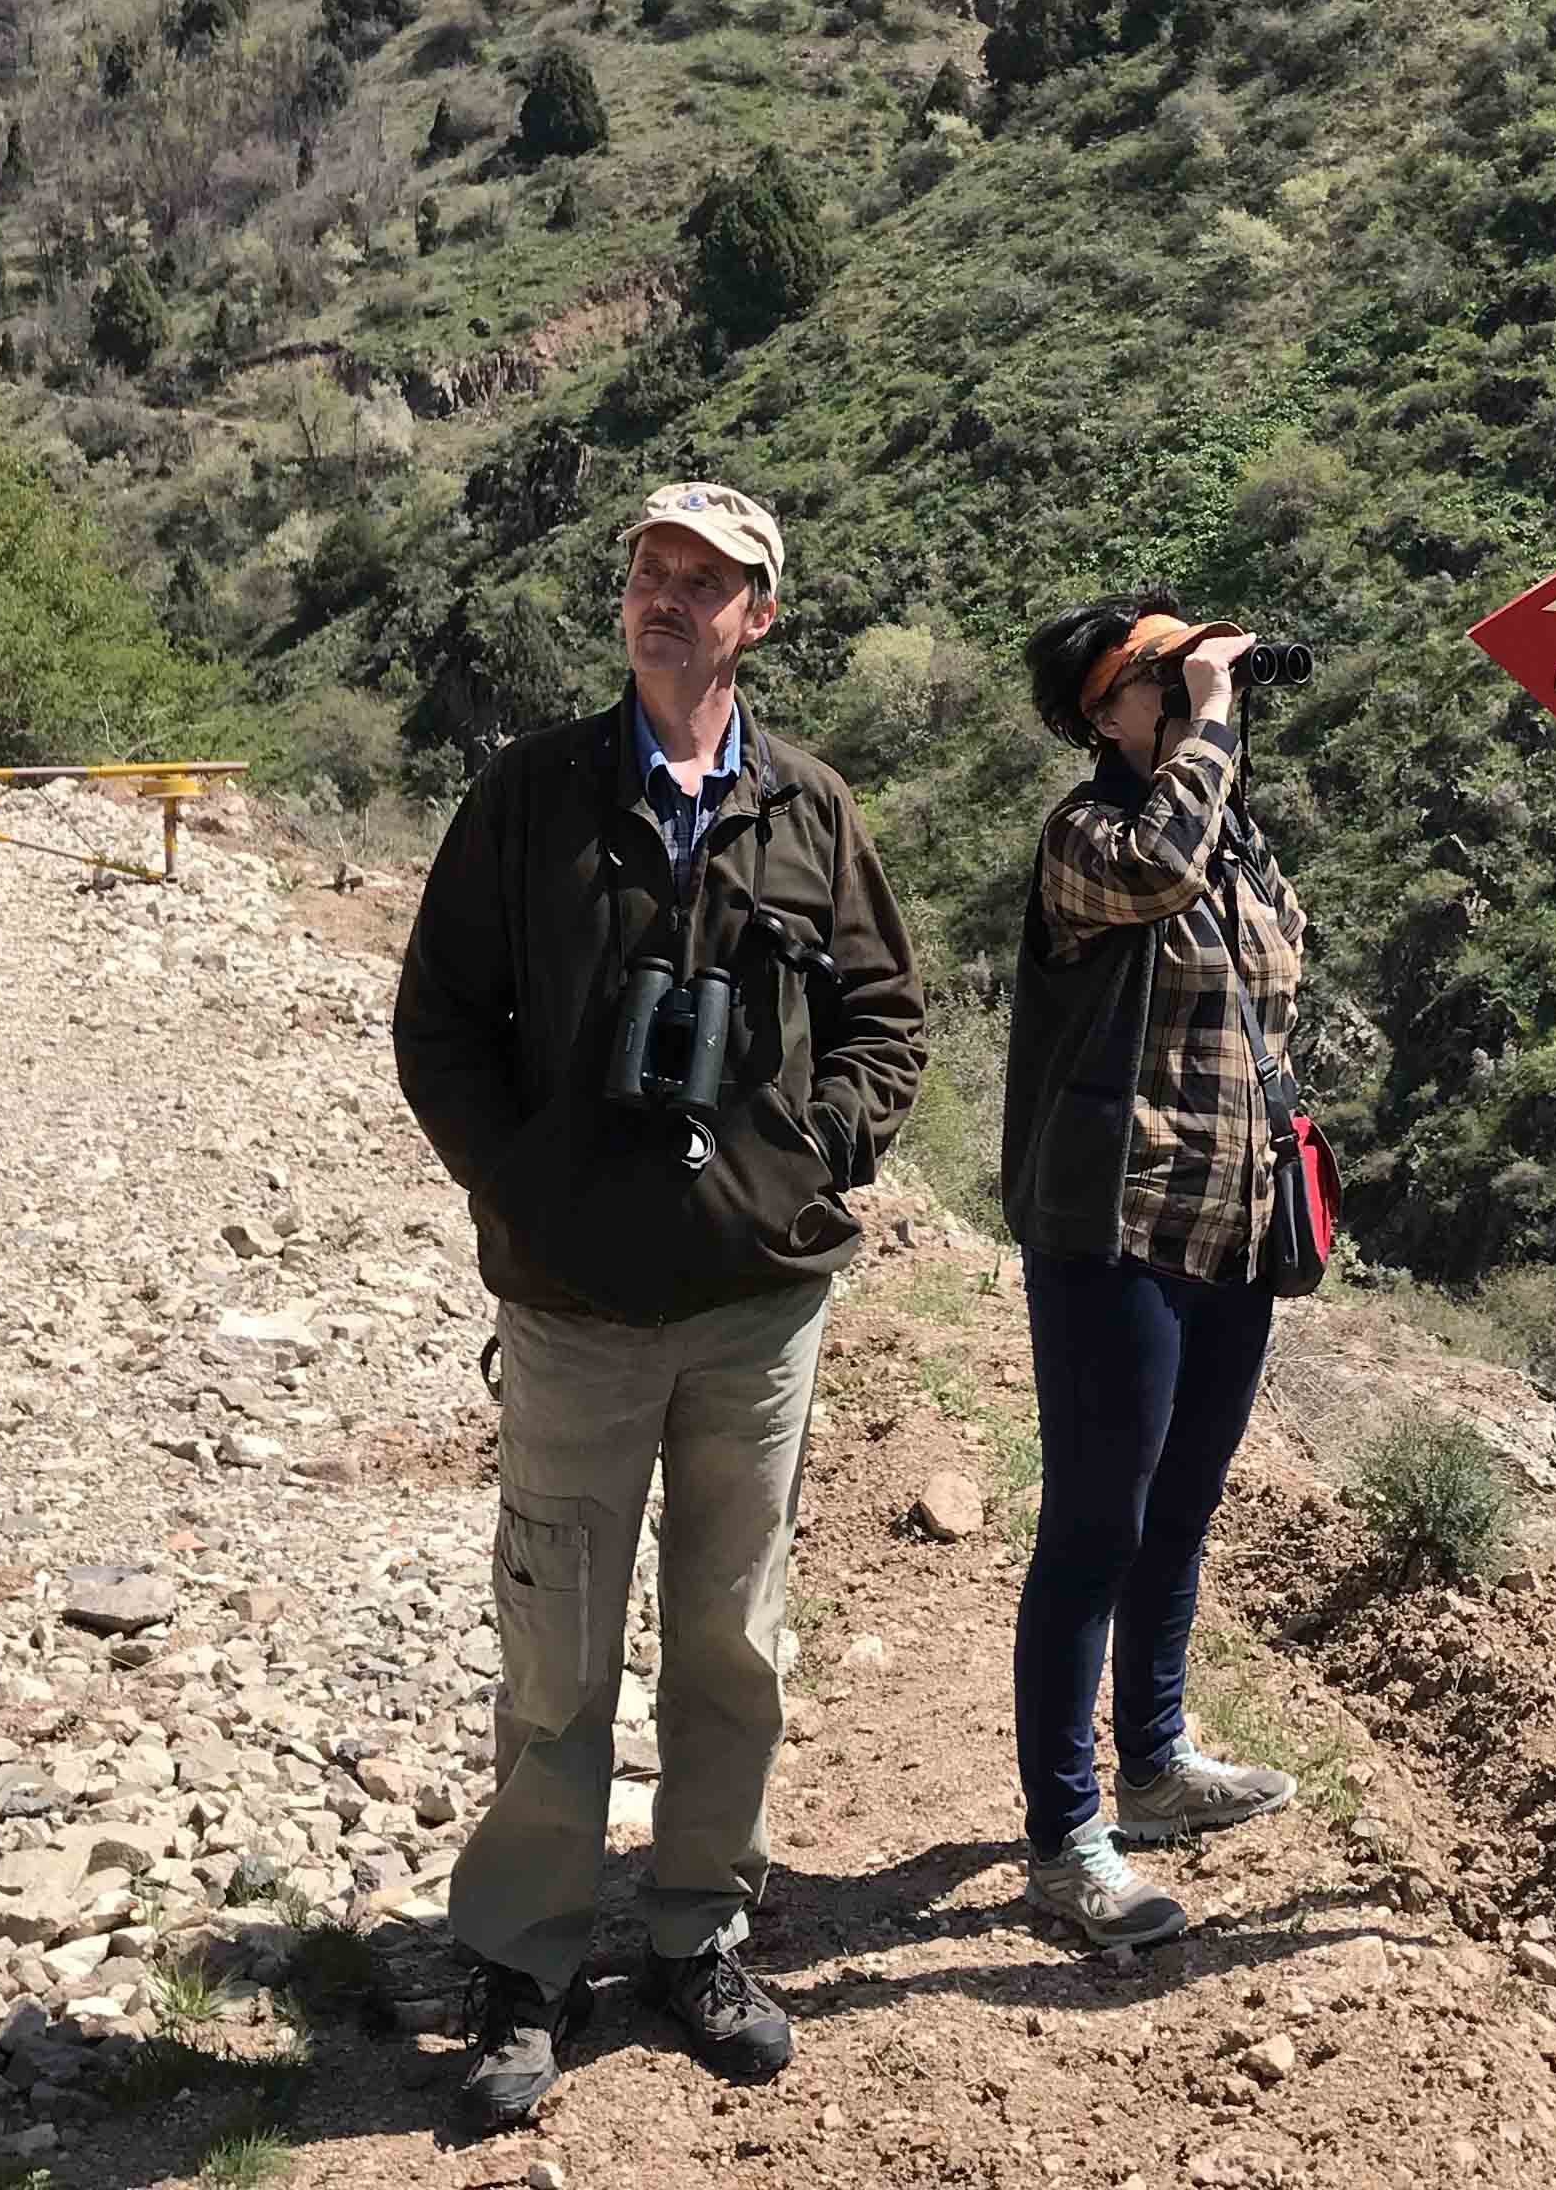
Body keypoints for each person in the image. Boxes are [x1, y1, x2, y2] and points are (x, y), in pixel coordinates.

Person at [392, 480, 927, 2127]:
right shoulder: (533, 794)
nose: (669, 599)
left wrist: (808, 1155)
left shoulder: (808, 808)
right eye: (650, 572)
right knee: (556, 1646)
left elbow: (887, 1019)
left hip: (757, 1306)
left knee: (730, 1640)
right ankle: (528, 1959)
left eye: (707, 581)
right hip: (572, 1305)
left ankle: (699, 1929)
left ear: (759, 617)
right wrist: (522, 1185)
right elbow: (439, 1024)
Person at [999, 594, 1311, 1952]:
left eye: (1192, 670)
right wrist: (1217, 715)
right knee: (1095, 1530)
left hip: (1230, 1228)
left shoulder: (1233, 836)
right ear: (1100, 714)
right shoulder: (1089, 836)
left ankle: (1157, 1763)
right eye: (1159, 676)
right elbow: (1157, 866)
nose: (1188, 690)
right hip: (1116, 1228)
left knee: (1180, 1511)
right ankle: (1067, 1840)